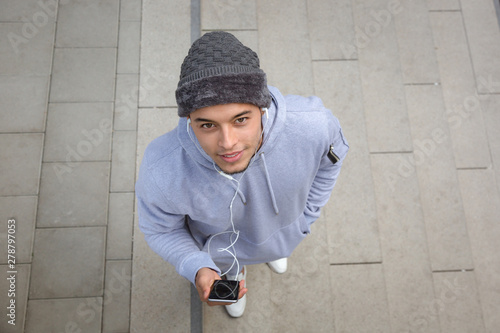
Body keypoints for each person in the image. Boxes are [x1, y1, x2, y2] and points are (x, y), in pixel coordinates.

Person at [135, 31, 349, 318]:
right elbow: (161, 229)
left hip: (286, 232)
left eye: (241, 120)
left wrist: (306, 215)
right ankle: (237, 274)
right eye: (207, 125)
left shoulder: (313, 125)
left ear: (262, 108)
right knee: (229, 271)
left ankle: (275, 251)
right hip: (222, 256)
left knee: (276, 247)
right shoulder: (162, 169)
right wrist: (198, 267)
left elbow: (331, 160)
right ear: (189, 119)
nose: (227, 143)